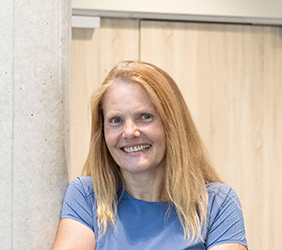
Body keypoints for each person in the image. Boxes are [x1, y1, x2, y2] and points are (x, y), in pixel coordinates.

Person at [53, 61, 247, 249]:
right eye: (116, 120)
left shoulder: (218, 203)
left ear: (172, 125)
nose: (129, 132)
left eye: (145, 117)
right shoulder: (86, 196)